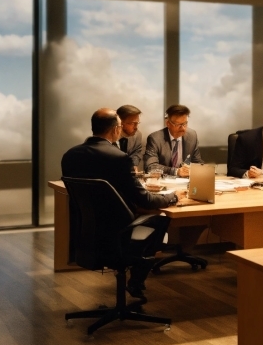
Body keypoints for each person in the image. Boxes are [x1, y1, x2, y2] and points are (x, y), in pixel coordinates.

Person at [61, 108, 188, 296]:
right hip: (117, 233)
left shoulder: (70, 155)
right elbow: (145, 199)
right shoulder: (118, 158)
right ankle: (136, 279)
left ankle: (134, 280)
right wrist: (174, 196)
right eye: (121, 126)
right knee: (160, 219)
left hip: (86, 232)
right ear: (115, 130)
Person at [144, 104, 203, 177]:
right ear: (168, 124)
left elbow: (197, 162)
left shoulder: (192, 135)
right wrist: (176, 171)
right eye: (178, 125)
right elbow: (150, 167)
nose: (183, 128)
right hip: (163, 182)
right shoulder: (155, 138)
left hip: (184, 183)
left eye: (185, 124)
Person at [115, 104, 144, 169]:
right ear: (121, 122)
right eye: (133, 123)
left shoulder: (137, 135)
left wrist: (133, 165)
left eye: (137, 123)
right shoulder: (109, 135)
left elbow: (137, 152)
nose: (136, 127)